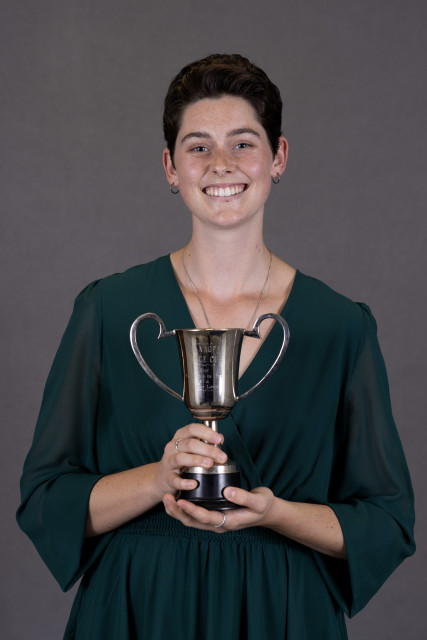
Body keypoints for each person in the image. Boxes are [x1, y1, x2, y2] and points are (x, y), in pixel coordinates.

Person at [17, 54, 415, 639]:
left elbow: (385, 522)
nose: (221, 164)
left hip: (283, 613)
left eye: (243, 144)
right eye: (198, 146)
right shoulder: (108, 310)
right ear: (170, 166)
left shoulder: (340, 326)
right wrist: (158, 478)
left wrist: (275, 513)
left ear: (278, 157)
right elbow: (46, 499)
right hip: (139, 609)